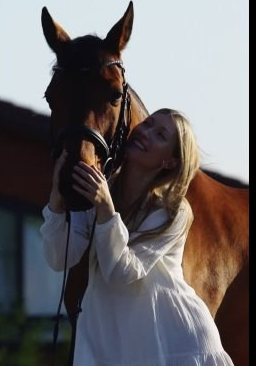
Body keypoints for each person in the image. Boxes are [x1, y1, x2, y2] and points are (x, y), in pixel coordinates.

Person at [41, 108, 234, 366]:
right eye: (149, 123)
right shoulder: (101, 188)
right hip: (109, 340)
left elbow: (123, 273)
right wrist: (56, 202)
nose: (146, 132)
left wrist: (107, 211)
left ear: (170, 162)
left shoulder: (173, 211)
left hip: (174, 342)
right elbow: (58, 259)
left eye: (160, 134)